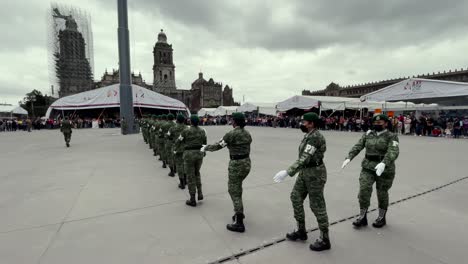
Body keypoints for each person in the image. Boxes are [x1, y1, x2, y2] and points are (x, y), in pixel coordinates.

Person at [273, 112, 331, 251]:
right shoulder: (309, 135)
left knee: (316, 205)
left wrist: (288, 172)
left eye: (304, 122)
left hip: (315, 174)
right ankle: (301, 230)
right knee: (295, 197)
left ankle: (325, 239)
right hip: (305, 172)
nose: (301, 124)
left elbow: (304, 157)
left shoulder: (315, 137)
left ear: (311, 123)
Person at [342, 114, 399, 229]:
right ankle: (362, 217)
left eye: (380, 123)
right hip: (368, 166)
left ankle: (381, 217)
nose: (377, 124)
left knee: (382, 193)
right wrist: (349, 157)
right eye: (375, 123)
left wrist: (384, 163)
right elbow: (358, 146)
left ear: (386, 123)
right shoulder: (368, 134)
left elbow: (393, 151)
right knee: (364, 190)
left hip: (384, 169)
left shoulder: (391, 136)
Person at [202, 112, 252, 233]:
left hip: (236, 164)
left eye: (232, 120)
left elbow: (218, 146)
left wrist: (205, 147)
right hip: (246, 163)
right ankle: (239, 212)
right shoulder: (247, 133)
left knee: (234, 190)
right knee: (238, 187)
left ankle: (239, 221)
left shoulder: (231, 134)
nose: (231, 122)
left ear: (235, 121)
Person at [176, 114, 207, 207]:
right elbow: (205, 143)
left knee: (190, 176)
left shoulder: (186, 131)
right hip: (199, 154)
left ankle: (192, 199)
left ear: (190, 122)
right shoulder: (202, 131)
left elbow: (178, 141)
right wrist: (203, 152)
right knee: (197, 173)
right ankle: (200, 193)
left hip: (189, 155)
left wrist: (176, 149)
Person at [170, 114, 188, 188]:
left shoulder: (172, 128)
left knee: (179, 165)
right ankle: (186, 180)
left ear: (177, 120)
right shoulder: (187, 128)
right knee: (185, 165)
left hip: (177, 149)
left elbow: (169, 136)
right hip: (186, 149)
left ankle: (182, 182)